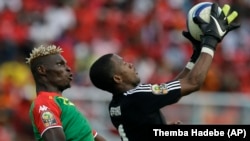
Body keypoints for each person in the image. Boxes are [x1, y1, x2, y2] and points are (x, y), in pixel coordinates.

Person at [89, 3, 240, 141]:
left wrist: (195, 55)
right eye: (123, 64)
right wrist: (210, 40)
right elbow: (193, 83)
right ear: (117, 78)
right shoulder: (137, 96)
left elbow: (174, 88)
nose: (129, 64)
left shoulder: (117, 104)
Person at [26, 45, 106, 141]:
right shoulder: (44, 102)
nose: (68, 68)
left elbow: (90, 134)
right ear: (42, 70)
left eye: (66, 64)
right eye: (60, 64)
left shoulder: (62, 103)